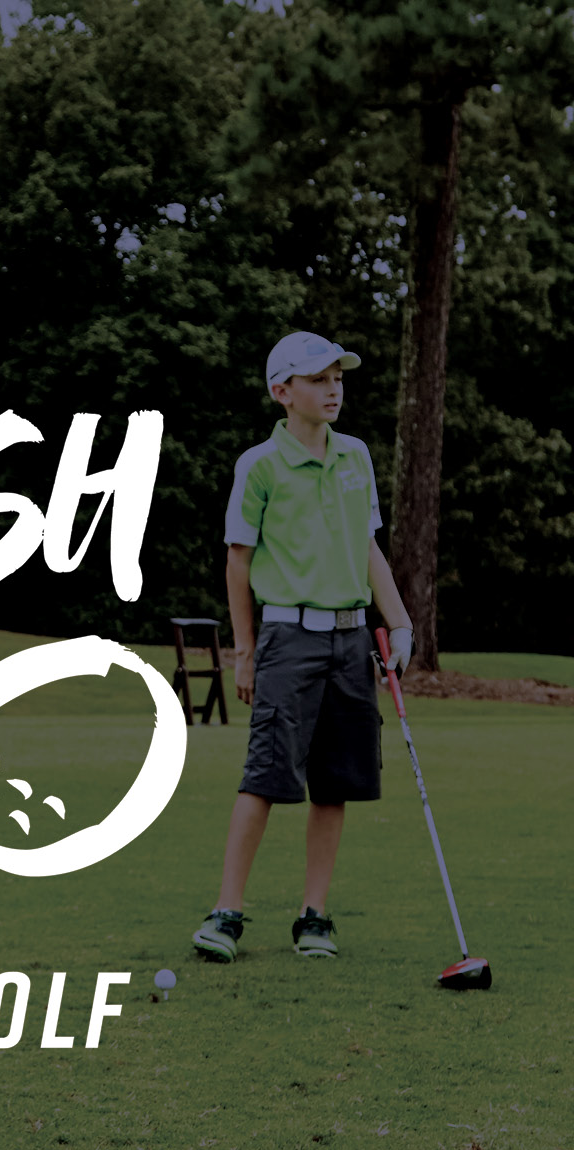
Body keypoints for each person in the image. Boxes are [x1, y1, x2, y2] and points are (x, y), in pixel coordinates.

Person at [192, 332, 413, 964]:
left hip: (351, 639)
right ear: (282, 392)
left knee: (334, 784)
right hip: (288, 637)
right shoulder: (260, 465)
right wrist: (245, 650)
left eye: (338, 378)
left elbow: (368, 548)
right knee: (264, 776)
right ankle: (227, 912)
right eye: (318, 379)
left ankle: (314, 917)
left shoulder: (356, 456)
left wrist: (399, 624)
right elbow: (238, 560)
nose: (333, 389)